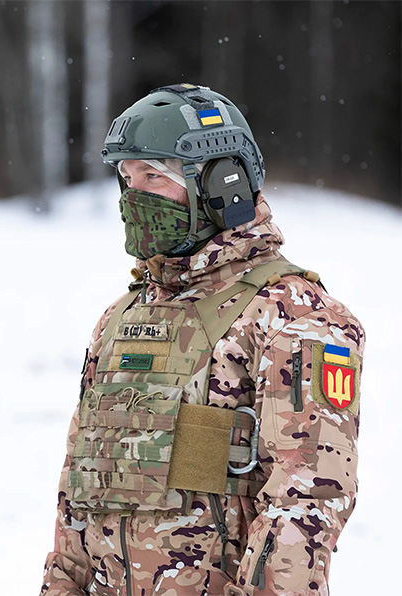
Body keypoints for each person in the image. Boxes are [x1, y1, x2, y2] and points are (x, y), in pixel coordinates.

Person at [40, 84, 364, 595]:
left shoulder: (292, 315)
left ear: (224, 185)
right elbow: (78, 495)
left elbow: (305, 502)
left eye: (154, 176)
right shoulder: (121, 317)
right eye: (127, 179)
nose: (134, 197)